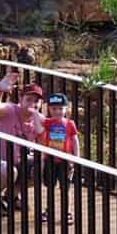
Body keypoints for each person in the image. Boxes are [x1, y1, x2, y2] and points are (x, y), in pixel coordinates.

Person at [0, 71, 45, 211]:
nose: (33, 103)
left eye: (36, 101)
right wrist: (0, 90)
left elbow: (46, 140)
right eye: (28, 99)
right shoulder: (10, 110)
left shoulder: (38, 120)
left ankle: (12, 196)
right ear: (20, 99)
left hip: (16, 163)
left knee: (44, 167)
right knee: (8, 170)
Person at [37, 92, 80, 223]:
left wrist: (75, 158)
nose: (57, 112)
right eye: (54, 108)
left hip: (65, 161)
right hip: (50, 159)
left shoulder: (69, 124)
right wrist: (42, 159)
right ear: (49, 109)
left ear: (66, 109)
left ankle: (67, 212)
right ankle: (49, 210)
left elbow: (75, 141)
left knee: (65, 188)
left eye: (61, 108)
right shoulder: (47, 123)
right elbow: (40, 134)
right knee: (50, 186)